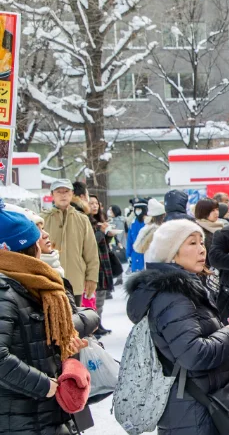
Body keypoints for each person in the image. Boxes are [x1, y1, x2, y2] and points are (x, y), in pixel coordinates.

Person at [125, 219, 229, 435]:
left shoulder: (186, 289)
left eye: (201, 242)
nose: (202, 249)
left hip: (197, 402)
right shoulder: (174, 296)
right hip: (192, 410)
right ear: (171, 253)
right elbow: (193, 354)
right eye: (192, 243)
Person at [0, 200, 100, 435]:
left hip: (46, 416)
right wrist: (45, 386)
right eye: (37, 237)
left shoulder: (36, 283)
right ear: (26, 248)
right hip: (22, 419)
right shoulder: (6, 290)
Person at [42, 179, 99, 306]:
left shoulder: (82, 219)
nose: (63, 195)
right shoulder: (43, 219)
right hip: (50, 280)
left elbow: (91, 252)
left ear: (72, 194)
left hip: (76, 280)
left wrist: (92, 278)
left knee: (75, 320)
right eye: (59, 192)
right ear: (52, 194)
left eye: (66, 191)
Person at [87, 195, 118, 335]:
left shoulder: (100, 221)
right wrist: (101, 232)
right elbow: (92, 242)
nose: (94, 206)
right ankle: (94, 326)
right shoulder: (86, 221)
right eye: (91, 203)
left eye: (96, 203)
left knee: (101, 297)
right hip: (95, 264)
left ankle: (98, 323)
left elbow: (103, 241)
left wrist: (109, 234)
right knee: (95, 298)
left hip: (103, 262)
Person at [193, 198, 223, 263]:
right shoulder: (198, 230)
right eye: (212, 210)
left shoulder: (221, 225)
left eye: (217, 209)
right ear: (203, 212)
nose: (216, 213)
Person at [126, 199, 149, 273]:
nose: (137, 211)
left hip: (147, 254)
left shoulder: (149, 223)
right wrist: (128, 254)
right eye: (136, 209)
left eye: (140, 209)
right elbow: (129, 240)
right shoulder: (133, 224)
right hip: (135, 255)